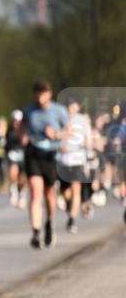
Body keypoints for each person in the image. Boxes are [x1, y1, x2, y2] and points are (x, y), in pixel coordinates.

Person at [21, 80, 68, 249]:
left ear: (49, 94)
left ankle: (49, 223)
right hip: (33, 153)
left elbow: (69, 131)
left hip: (51, 155)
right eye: (37, 95)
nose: (40, 98)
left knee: (49, 194)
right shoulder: (29, 110)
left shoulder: (59, 111)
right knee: (35, 191)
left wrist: (56, 135)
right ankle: (35, 232)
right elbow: (22, 127)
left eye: (43, 94)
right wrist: (23, 136)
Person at [57, 99, 91, 234]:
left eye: (74, 106)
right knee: (66, 193)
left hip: (78, 159)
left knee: (76, 190)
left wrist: (88, 147)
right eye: (70, 106)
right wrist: (61, 144)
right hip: (63, 160)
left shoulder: (83, 121)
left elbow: (88, 139)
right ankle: (69, 206)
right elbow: (56, 137)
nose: (72, 109)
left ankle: (72, 220)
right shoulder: (60, 120)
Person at [6, 110, 28, 208]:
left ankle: (22, 194)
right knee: (13, 172)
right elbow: (6, 144)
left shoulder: (25, 131)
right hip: (13, 154)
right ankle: (13, 190)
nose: (16, 122)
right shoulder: (9, 130)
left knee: (22, 177)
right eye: (14, 120)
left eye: (18, 121)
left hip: (23, 155)